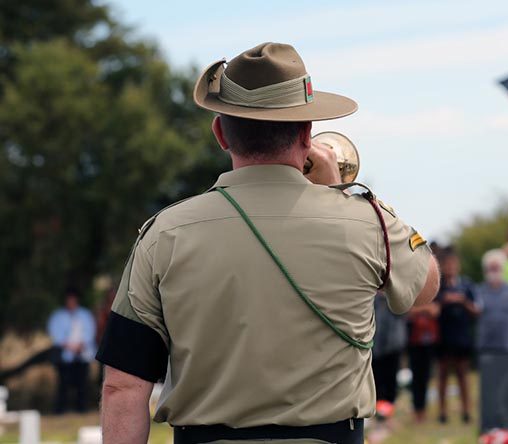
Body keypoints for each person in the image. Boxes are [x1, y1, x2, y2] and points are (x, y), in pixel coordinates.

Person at [96, 42, 440, 444]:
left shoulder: (164, 233)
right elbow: (425, 287)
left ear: (221, 133)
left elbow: (123, 386)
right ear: (307, 132)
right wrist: (338, 191)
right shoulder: (367, 221)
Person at [436, 249, 480, 424]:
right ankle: (442, 411)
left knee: (463, 373)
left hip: (462, 334)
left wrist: (462, 302)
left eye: (453, 264)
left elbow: (477, 310)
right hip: (443, 334)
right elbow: (432, 309)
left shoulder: (467, 285)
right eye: (447, 265)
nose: (451, 268)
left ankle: (466, 409)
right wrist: (444, 301)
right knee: (443, 373)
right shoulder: (437, 285)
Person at [47, 288, 96, 414]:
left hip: (82, 354)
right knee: (63, 384)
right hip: (65, 356)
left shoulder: (85, 315)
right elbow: (55, 335)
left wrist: (80, 345)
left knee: (82, 384)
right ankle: (60, 410)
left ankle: (82, 409)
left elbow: (90, 333)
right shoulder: (58, 316)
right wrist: (68, 346)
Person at [475, 249, 508, 354]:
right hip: (486, 342)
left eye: (496, 268)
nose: (493, 272)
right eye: (491, 269)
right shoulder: (479, 290)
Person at [371, 292, 407, 422]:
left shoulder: (395, 296)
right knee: (377, 379)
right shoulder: (371, 297)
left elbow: (403, 311)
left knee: (391, 379)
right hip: (376, 345)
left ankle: (388, 411)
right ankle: (379, 410)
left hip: (393, 345)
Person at [406, 295, 440, 423]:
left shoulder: (435, 293)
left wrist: (419, 310)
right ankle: (416, 409)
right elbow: (408, 312)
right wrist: (425, 309)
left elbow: (435, 311)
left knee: (426, 377)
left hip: (429, 342)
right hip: (414, 342)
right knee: (416, 378)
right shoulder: (412, 294)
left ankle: (423, 410)